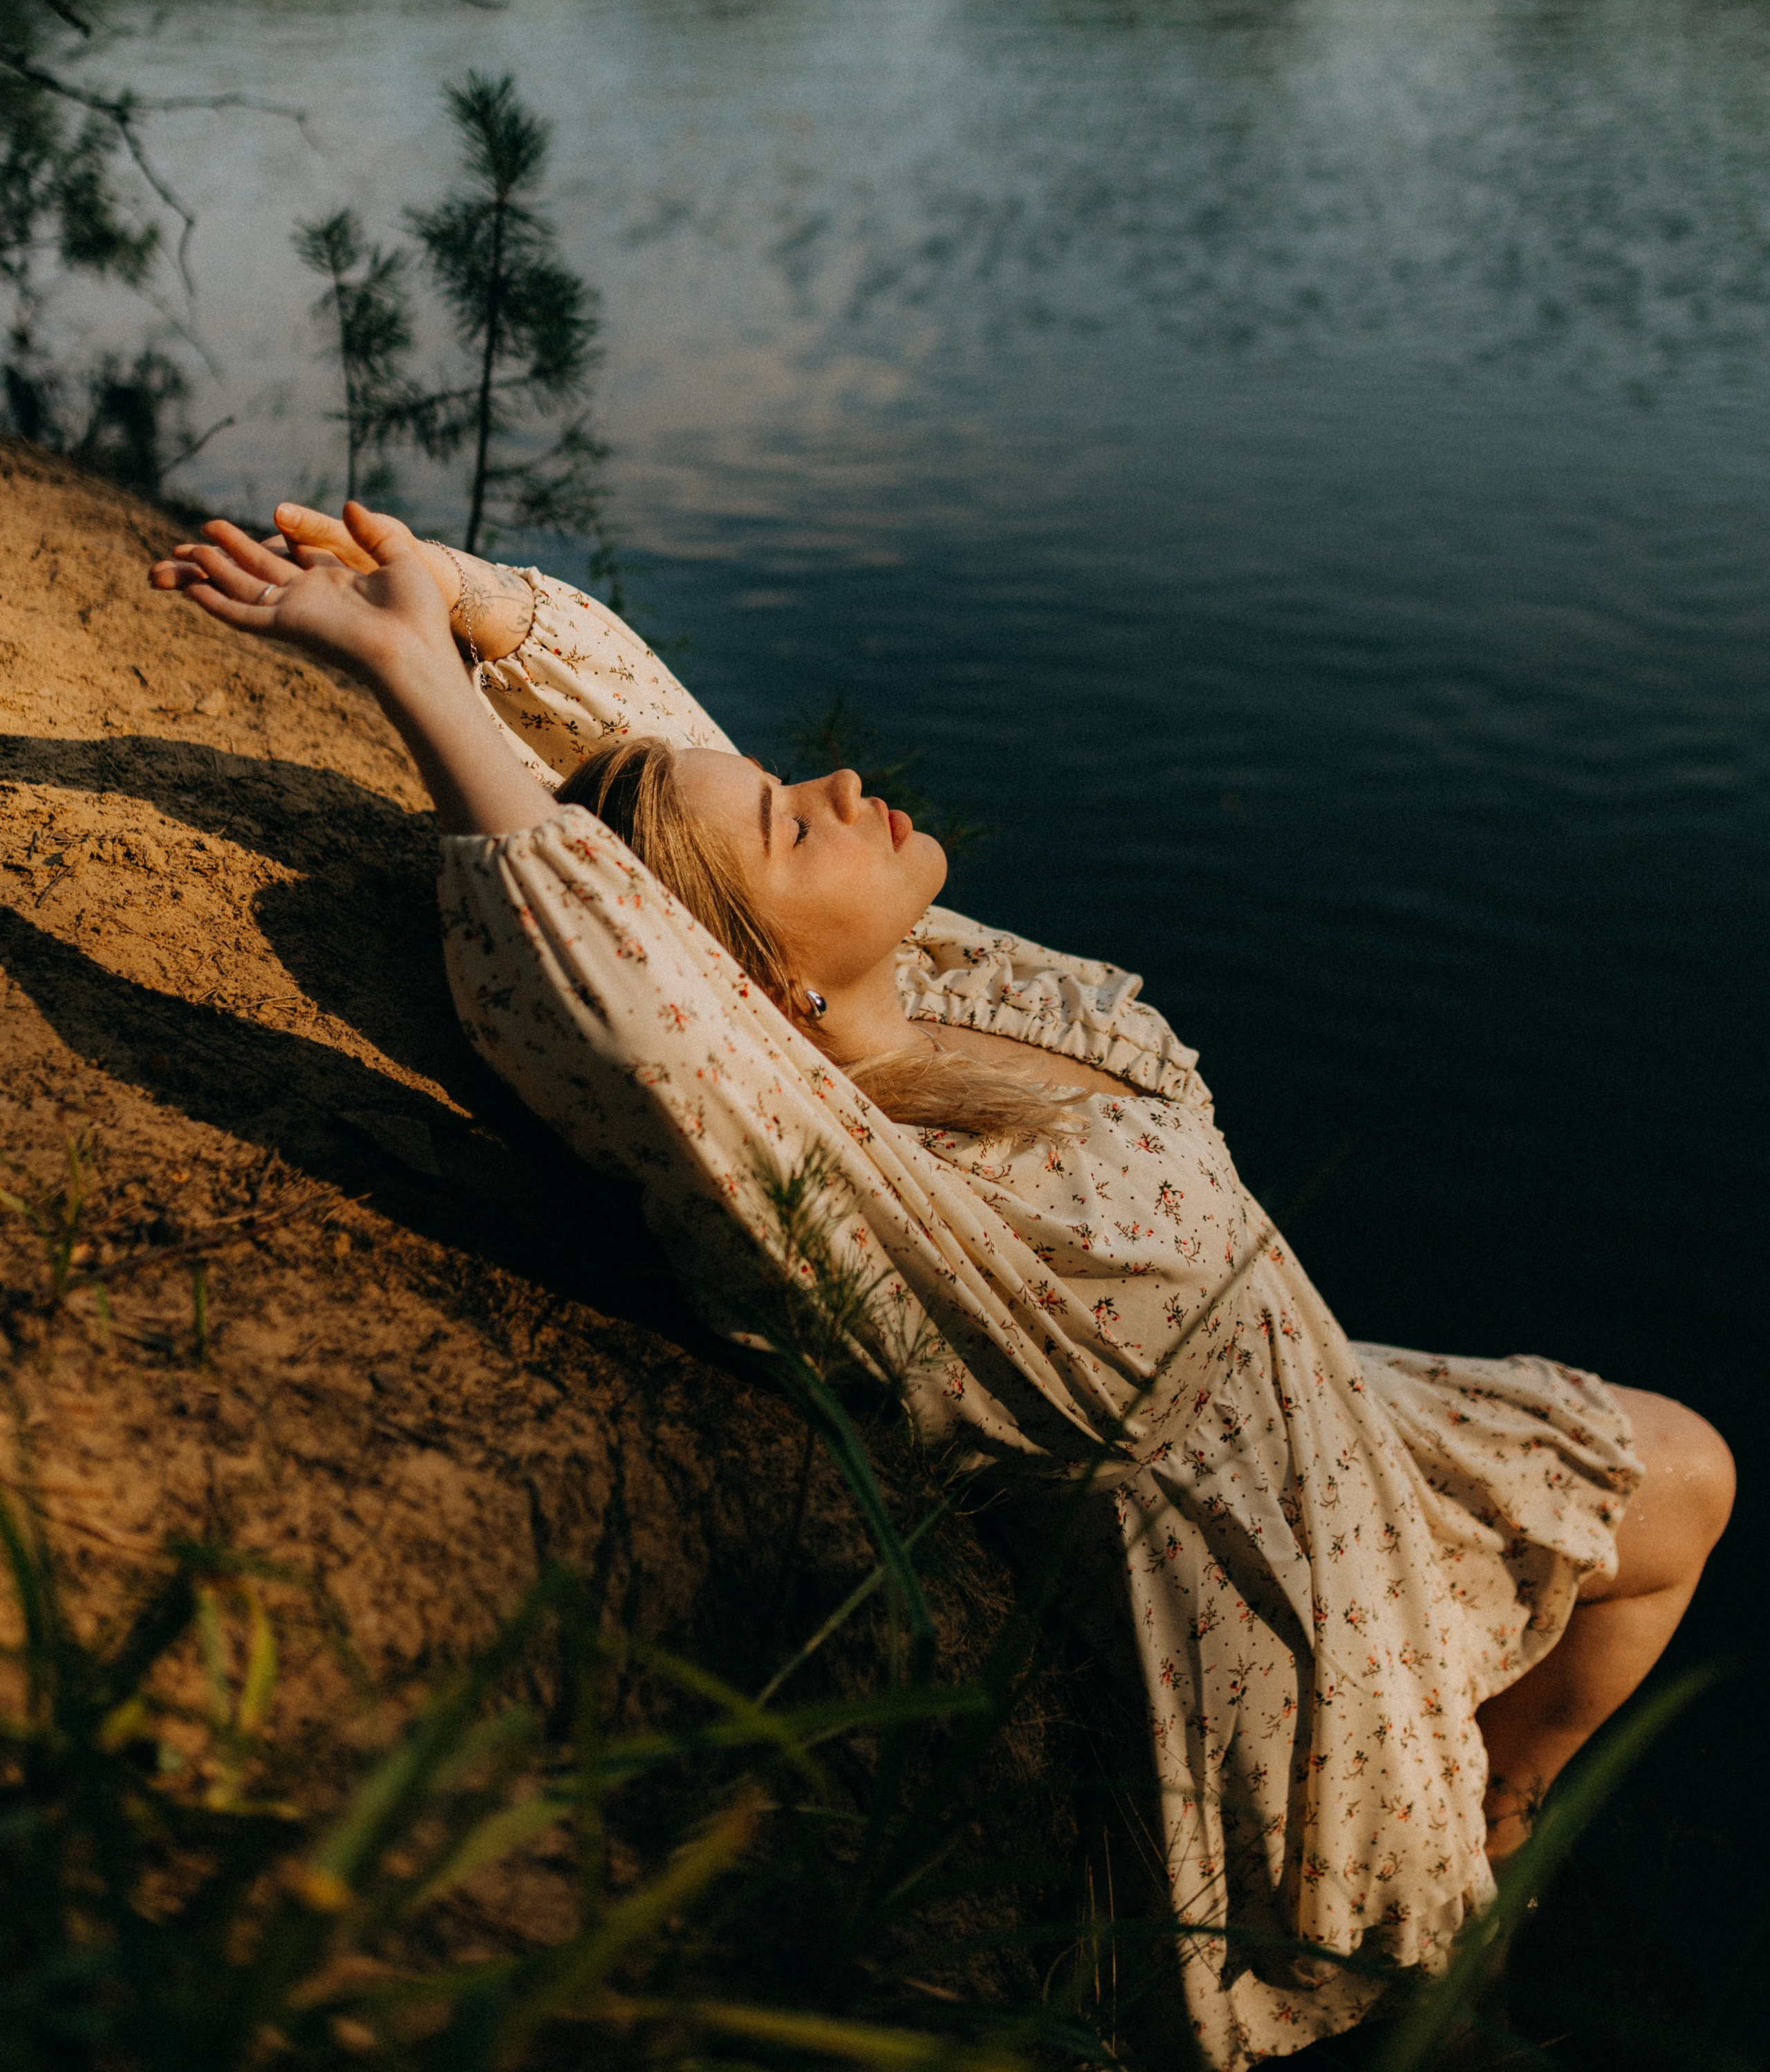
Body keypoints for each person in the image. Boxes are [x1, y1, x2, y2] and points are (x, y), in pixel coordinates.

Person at [149, 499, 1734, 2070]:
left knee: (1681, 1484)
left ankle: (1510, 1801)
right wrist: (406, 679)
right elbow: (621, 1001)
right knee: (1413, 1992)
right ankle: (1464, 1905)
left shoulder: (942, 990)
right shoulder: (870, 1193)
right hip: (1270, 1574)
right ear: (754, 985)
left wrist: (483, 613)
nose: (836, 786)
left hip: (1328, 1406)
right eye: (789, 821)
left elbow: (669, 758)